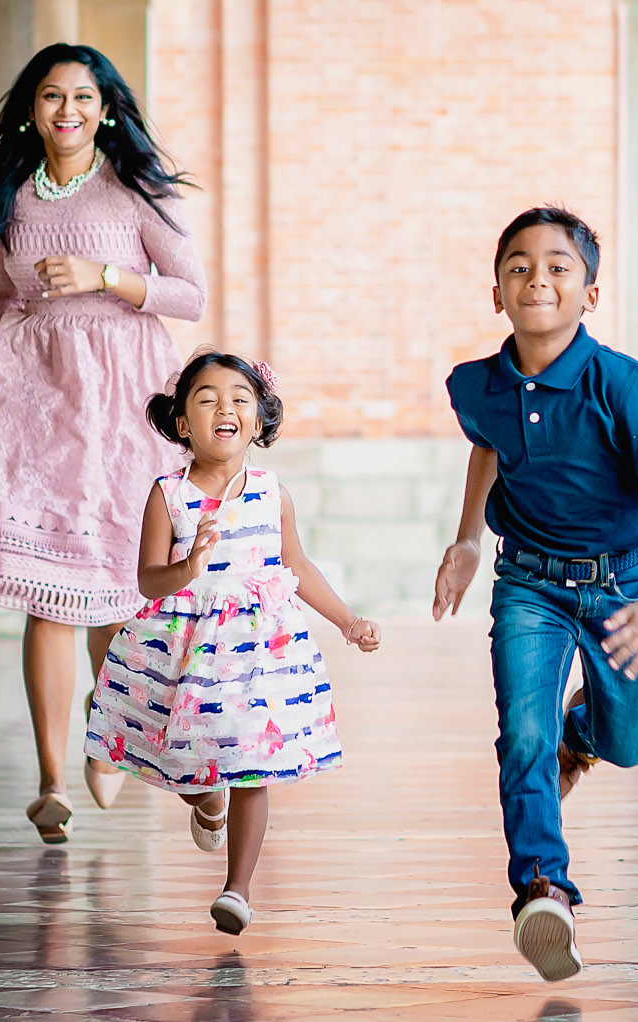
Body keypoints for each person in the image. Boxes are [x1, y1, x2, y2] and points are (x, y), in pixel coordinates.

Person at [0, 42, 206, 844]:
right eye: (53, 97)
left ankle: (117, 726)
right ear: (31, 109)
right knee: (45, 590)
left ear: (106, 109)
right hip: (36, 406)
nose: (68, 111)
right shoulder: (12, 194)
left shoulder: (136, 189)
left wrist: (104, 278)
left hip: (125, 401)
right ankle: (51, 779)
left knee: (118, 585)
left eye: (83, 98)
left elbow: (190, 295)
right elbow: (0, 295)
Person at [432, 206, 638, 982]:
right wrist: (469, 539)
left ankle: (585, 736)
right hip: (530, 584)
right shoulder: (472, 384)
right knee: (522, 731)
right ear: (496, 293)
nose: (536, 279)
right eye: (518, 266)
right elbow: (490, 444)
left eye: (557, 266)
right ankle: (542, 888)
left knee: (625, 742)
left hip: (622, 583)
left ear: (590, 293)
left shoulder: (624, 384)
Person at [87, 351, 380, 936]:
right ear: (182, 424)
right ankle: (205, 801)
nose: (226, 407)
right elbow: (147, 579)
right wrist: (188, 567)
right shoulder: (168, 494)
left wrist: (347, 620)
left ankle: (237, 889)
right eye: (207, 398)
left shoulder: (273, 493)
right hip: (186, 643)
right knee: (178, 752)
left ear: (257, 420)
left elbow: (297, 566)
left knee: (253, 760)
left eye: (240, 398)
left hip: (260, 649)